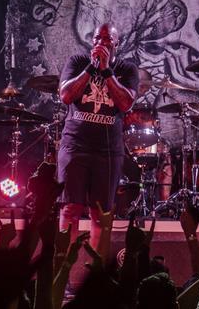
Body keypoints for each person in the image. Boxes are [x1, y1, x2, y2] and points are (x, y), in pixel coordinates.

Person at [56, 24, 140, 247]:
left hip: (108, 151)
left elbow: (125, 103)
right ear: (91, 41)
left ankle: (97, 274)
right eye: (97, 38)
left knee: (100, 214)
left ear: (116, 44)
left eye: (107, 39)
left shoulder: (128, 70)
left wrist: (106, 72)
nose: (101, 42)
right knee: (70, 208)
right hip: (75, 146)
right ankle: (62, 272)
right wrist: (91, 70)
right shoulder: (76, 62)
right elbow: (65, 96)